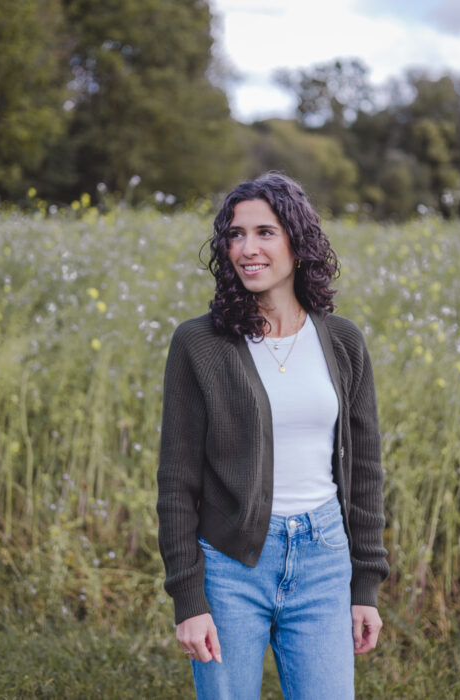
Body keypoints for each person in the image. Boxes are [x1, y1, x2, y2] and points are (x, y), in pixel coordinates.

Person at [157, 172, 389, 699]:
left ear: (297, 243)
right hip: (230, 566)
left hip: (325, 558)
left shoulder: (343, 341)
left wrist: (365, 586)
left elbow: (366, 470)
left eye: (265, 232)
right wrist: (189, 600)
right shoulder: (199, 343)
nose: (246, 248)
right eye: (235, 235)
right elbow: (176, 481)